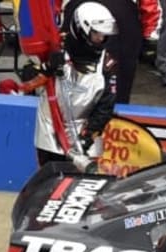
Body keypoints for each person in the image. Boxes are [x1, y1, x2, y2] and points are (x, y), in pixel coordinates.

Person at [29, 1, 118, 171]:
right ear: (81, 29)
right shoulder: (55, 48)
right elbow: (29, 80)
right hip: (51, 130)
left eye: (104, 35)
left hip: (85, 133)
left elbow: (106, 105)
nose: (101, 39)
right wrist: (47, 67)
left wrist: (88, 136)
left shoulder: (107, 63)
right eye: (96, 34)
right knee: (51, 184)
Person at [62, 0, 162, 104]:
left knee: (114, 89)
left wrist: (150, 34)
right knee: (69, 83)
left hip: (118, 18)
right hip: (111, 15)